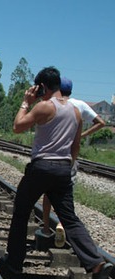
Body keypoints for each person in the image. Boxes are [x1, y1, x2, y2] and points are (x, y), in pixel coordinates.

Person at [0, 66, 112, 279]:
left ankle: (14, 264)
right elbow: (75, 146)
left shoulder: (43, 107)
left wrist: (25, 102)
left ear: (42, 87)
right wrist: (67, 168)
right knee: (69, 218)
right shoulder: (76, 112)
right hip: (63, 169)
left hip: (41, 167)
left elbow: (17, 126)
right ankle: (96, 263)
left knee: (21, 213)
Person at [41, 77, 107, 246]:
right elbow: (101, 122)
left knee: (48, 192)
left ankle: (47, 227)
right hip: (70, 157)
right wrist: (82, 135)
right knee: (65, 194)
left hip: (52, 156)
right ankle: (62, 223)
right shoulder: (81, 105)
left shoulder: (54, 104)